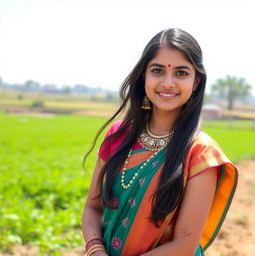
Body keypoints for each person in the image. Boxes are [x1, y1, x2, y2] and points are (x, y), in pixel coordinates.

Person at [82, 28, 238, 256]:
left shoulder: (200, 153)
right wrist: (96, 251)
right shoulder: (118, 136)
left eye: (181, 73)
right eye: (157, 71)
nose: (168, 82)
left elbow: (184, 245)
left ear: (196, 82)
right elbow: (91, 208)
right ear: (144, 76)